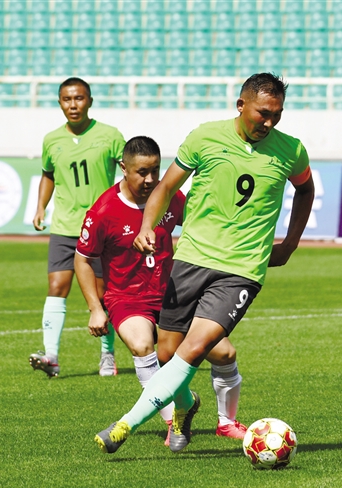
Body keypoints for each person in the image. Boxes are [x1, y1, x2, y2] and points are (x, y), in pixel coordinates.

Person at [93, 73, 315, 455]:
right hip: (191, 259)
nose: (269, 122)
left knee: (194, 348)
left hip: (242, 269)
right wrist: (147, 227)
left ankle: (125, 424)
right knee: (167, 352)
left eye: (276, 115)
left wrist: (291, 243)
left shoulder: (291, 150)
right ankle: (185, 405)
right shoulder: (204, 137)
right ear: (241, 105)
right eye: (262, 113)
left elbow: (305, 189)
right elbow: (166, 187)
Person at [74, 136, 248, 445]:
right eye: (142, 172)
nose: (150, 179)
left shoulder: (170, 197)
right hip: (128, 298)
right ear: (123, 168)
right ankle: (173, 420)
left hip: (173, 292)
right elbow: (83, 259)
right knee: (143, 346)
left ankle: (226, 423)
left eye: (155, 170)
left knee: (224, 353)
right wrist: (95, 308)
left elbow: (199, 225)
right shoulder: (104, 210)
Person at [29, 77, 125, 378]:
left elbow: (130, 173)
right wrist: (41, 207)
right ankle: (51, 357)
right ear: (60, 102)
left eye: (79, 98)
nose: (73, 105)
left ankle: (107, 354)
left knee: (101, 294)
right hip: (64, 226)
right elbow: (48, 175)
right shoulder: (52, 140)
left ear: (90, 101)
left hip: (100, 228)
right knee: (57, 287)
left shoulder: (110, 136)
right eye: (67, 99)